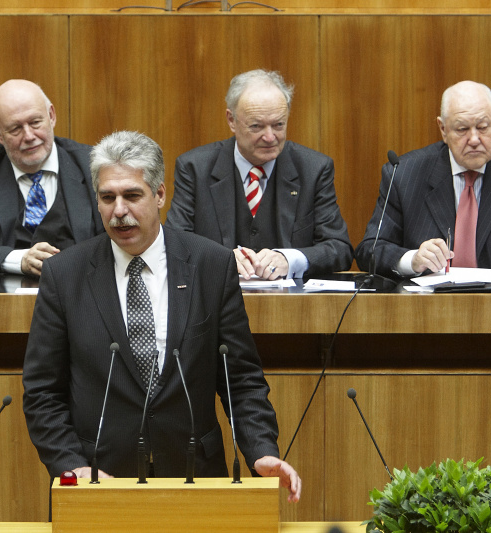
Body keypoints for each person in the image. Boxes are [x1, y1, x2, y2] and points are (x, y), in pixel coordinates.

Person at [22, 130, 301, 503]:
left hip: (194, 476)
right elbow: (42, 392)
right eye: (108, 197)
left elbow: (241, 380)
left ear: (159, 195)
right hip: (99, 480)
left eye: (132, 195)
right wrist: (72, 465)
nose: (119, 211)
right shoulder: (65, 274)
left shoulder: (210, 265)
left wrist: (261, 450)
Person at [355, 80, 491, 288]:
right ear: (443, 129)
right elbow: (370, 248)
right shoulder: (404, 174)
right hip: (426, 304)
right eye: (462, 129)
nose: (474, 139)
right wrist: (412, 259)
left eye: (483, 127)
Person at [165, 69, 353, 280]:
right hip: (215, 296)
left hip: (292, 298)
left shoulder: (313, 169)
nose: (270, 137)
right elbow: (174, 243)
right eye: (256, 126)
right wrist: (221, 259)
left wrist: (290, 260)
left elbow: (339, 248)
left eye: (278, 125)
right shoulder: (195, 168)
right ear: (231, 120)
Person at [0, 79, 103, 276]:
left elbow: (116, 239)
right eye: (15, 129)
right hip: (3, 292)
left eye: (35, 122)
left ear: (51, 116)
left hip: (82, 285)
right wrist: (19, 260)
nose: (29, 136)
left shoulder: (95, 166)